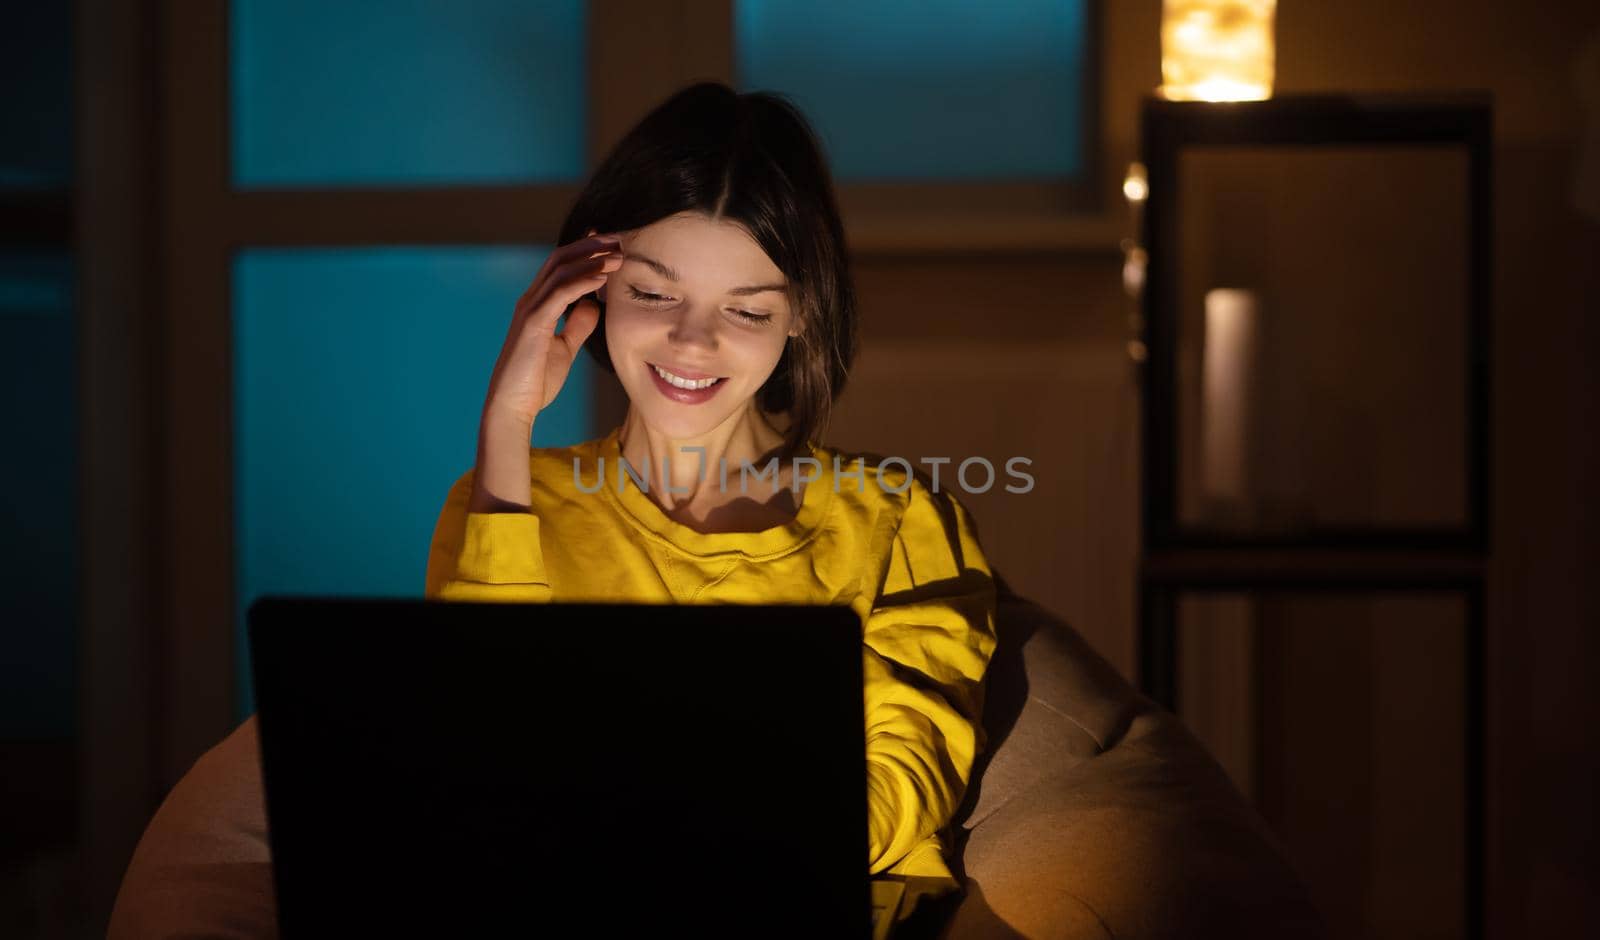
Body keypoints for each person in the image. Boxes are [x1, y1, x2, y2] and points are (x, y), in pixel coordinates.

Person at [422, 80, 999, 934]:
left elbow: (897, 790)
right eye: (656, 294)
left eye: (747, 309)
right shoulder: (502, 501)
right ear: (590, 286)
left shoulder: (896, 522)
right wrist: (505, 421)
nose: (694, 342)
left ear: (800, 314)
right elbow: (480, 753)